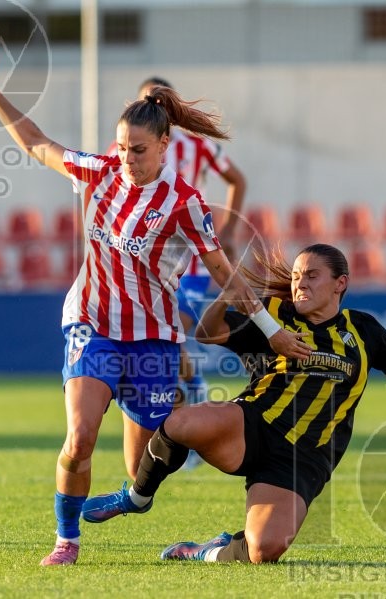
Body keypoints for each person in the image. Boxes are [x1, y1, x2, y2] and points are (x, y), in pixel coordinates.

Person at [0, 40, 312, 566]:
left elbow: (224, 273)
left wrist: (271, 330)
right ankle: (66, 541)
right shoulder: (99, 170)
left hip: (152, 338)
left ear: (165, 145)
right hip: (92, 325)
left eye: (139, 151)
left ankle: (148, 505)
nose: (128, 160)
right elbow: (37, 143)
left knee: (140, 470)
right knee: (80, 436)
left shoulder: (185, 203)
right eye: (124, 147)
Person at [82, 243, 386, 563]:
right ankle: (137, 497)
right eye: (295, 276)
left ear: (340, 283)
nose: (299, 284)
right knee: (181, 424)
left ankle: (205, 551)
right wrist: (228, 293)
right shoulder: (272, 315)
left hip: (304, 457)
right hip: (252, 425)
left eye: (311, 275)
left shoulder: (363, 331)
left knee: (264, 550)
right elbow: (207, 332)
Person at [110, 78, 248, 454]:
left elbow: (237, 179)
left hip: (192, 261)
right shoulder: (126, 148)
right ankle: (185, 408)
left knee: (173, 330)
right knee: (165, 336)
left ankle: (190, 401)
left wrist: (228, 230)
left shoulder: (199, 146)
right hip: (146, 263)